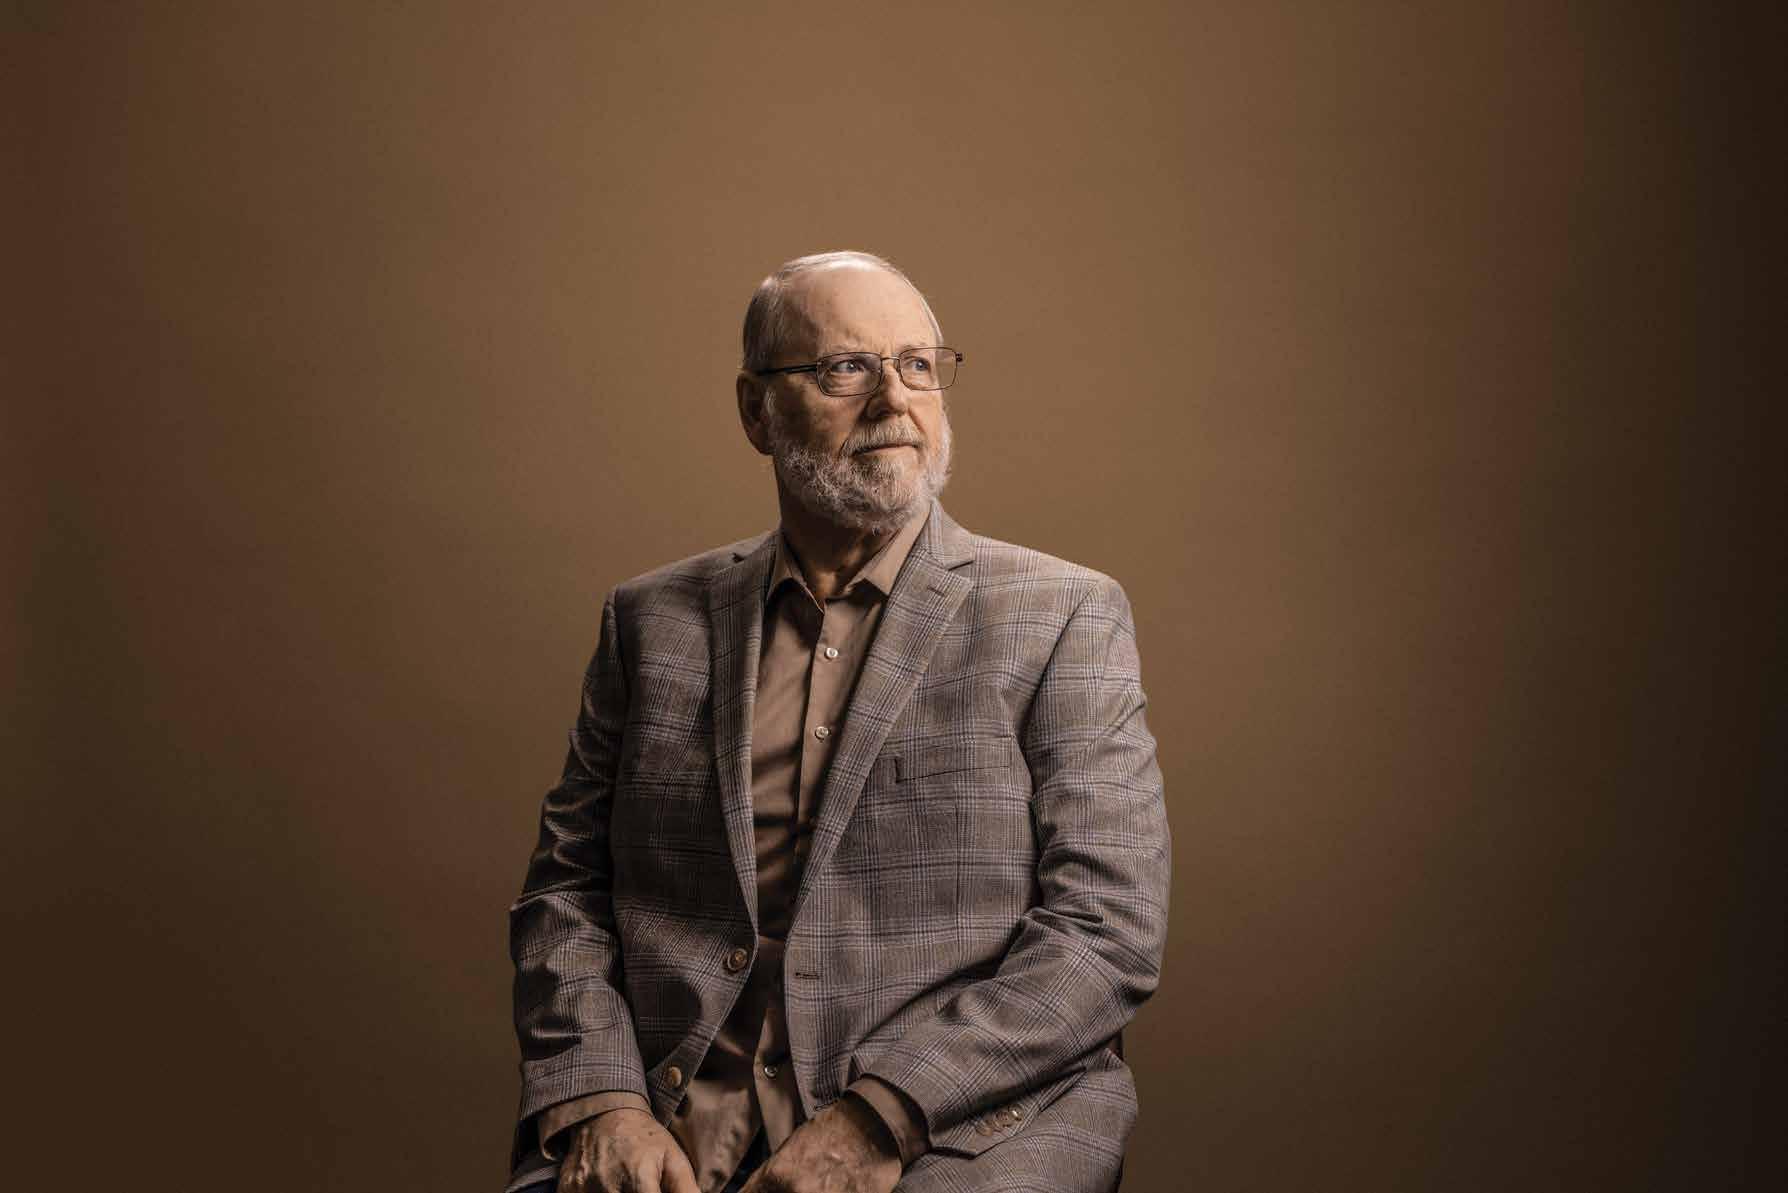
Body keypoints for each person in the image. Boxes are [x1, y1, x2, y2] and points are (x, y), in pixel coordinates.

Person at [506, 251, 1170, 1193]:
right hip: (667, 1130)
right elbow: (567, 892)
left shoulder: (1062, 614)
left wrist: (876, 1120)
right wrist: (604, 1102)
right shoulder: (649, 622)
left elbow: (1105, 930)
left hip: (958, 1135)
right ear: (756, 411)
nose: (894, 399)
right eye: (846, 368)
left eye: (917, 365)